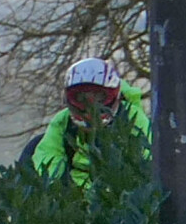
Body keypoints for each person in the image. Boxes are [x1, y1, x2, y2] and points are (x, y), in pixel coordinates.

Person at [30, 57, 149, 186]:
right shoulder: (63, 121)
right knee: (34, 146)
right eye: (81, 98)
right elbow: (47, 157)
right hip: (72, 196)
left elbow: (147, 161)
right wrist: (63, 192)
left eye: (99, 97)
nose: (90, 106)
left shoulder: (133, 117)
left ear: (114, 97)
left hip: (120, 196)